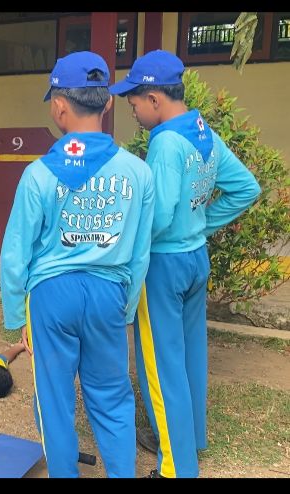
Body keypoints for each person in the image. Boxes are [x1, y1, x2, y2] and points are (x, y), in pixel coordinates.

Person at [0, 51, 154, 478]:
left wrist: (18, 314)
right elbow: (141, 250)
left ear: (59, 106)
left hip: (52, 297)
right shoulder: (137, 173)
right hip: (109, 293)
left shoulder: (39, 174)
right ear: (107, 104)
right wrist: (127, 304)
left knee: (53, 399)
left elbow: (17, 252)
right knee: (112, 396)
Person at [110, 50, 261, 478]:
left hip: (164, 266)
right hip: (196, 260)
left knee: (161, 366)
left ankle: (176, 467)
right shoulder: (201, 131)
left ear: (155, 98)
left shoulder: (164, 142)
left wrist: (125, 247)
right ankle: (189, 438)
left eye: (134, 102)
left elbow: (158, 216)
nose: (134, 111)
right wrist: (198, 224)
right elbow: (245, 188)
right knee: (191, 355)